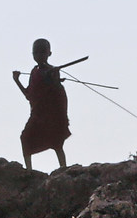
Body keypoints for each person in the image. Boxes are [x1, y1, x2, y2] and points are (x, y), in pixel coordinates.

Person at [13, 38, 86, 170]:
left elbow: (57, 91)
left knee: (57, 143)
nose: (39, 56)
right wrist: (16, 81)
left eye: (42, 52)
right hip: (37, 114)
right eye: (36, 53)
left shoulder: (53, 71)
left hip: (51, 115)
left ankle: (63, 168)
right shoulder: (34, 72)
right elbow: (29, 95)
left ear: (49, 53)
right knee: (25, 138)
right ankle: (29, 170)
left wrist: (54, 78)